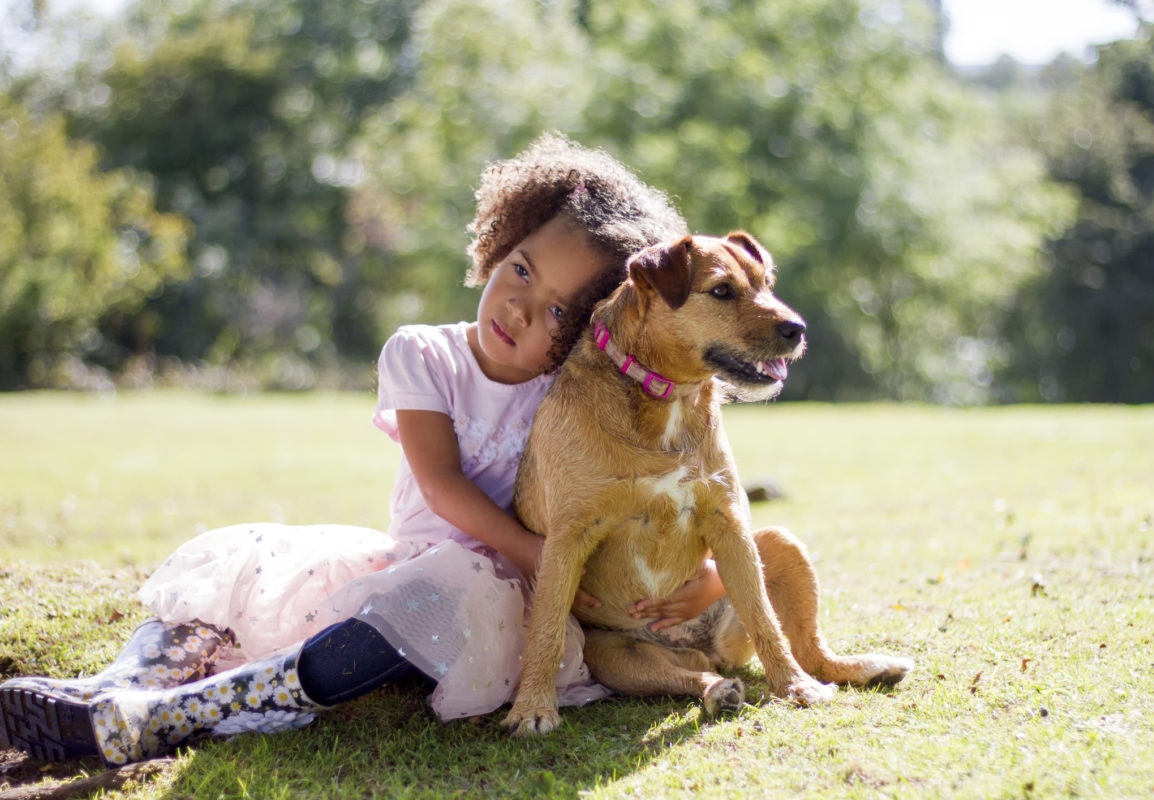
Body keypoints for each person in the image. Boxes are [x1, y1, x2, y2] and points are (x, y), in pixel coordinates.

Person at [0, 133, 696, 766]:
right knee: (235, 563)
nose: (518, 306)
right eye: (520, 270)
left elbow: (676, 496)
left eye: (554, 310)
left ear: (590, 333)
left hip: (511, 603)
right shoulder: (425, 354)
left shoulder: (578, 400)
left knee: (436, 600)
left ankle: (171, 717)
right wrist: (538, 553)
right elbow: (443, 487)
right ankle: (109, 692)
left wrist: (707, 579)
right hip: (420, 564)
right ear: (503, 240)